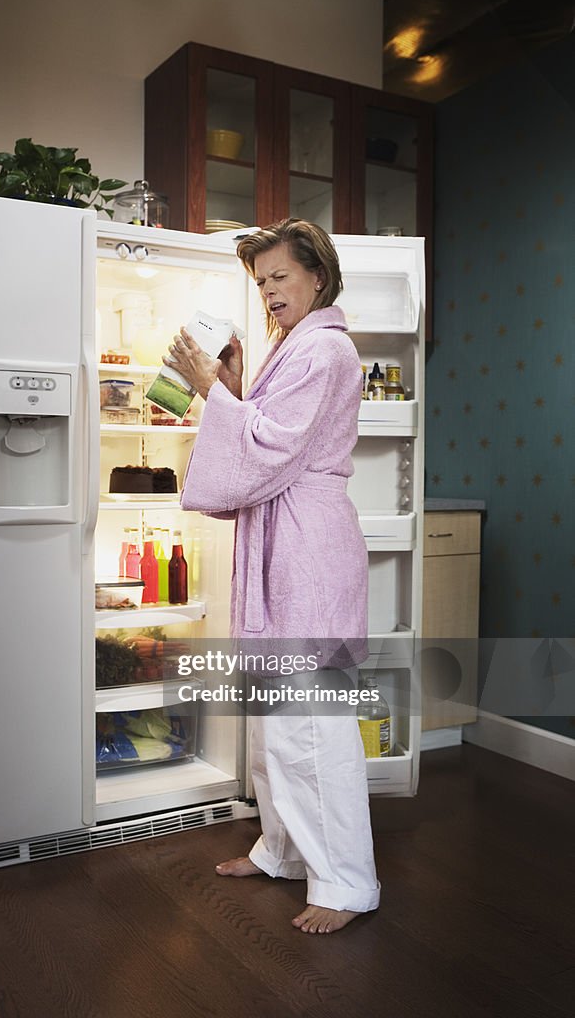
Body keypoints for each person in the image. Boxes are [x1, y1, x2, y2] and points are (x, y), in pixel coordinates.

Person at [166, 218, 379, 935]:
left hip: (307, 547)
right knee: (275, 718)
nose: (268, 294)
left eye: (279, 278)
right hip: (282, 538)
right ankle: (283, 850)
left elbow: (272, 447)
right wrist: (224, 384)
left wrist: (210, 390)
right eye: (260, 284)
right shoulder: (292, 349)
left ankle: (345, 882)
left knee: (312, 723)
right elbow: (262, 427)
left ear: (317, 275)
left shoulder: (326, 350)